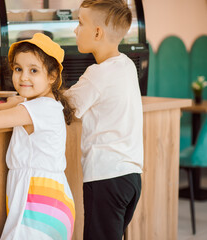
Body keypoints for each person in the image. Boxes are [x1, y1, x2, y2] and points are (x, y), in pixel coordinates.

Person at [0, 33, 76, 240]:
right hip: (50, 201)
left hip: (38, 201)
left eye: (33, 70)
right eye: (18, 69)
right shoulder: (39, 104)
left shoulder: (38, 108)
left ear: (52, 76)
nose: (23, 77)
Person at [64, 0, 143, 239]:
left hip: (106, 178)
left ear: (98, 32)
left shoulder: (98, 74)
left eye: (80, 22)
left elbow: (65, 107)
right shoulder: (127, 65)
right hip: (130, 178)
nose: (75, 30)